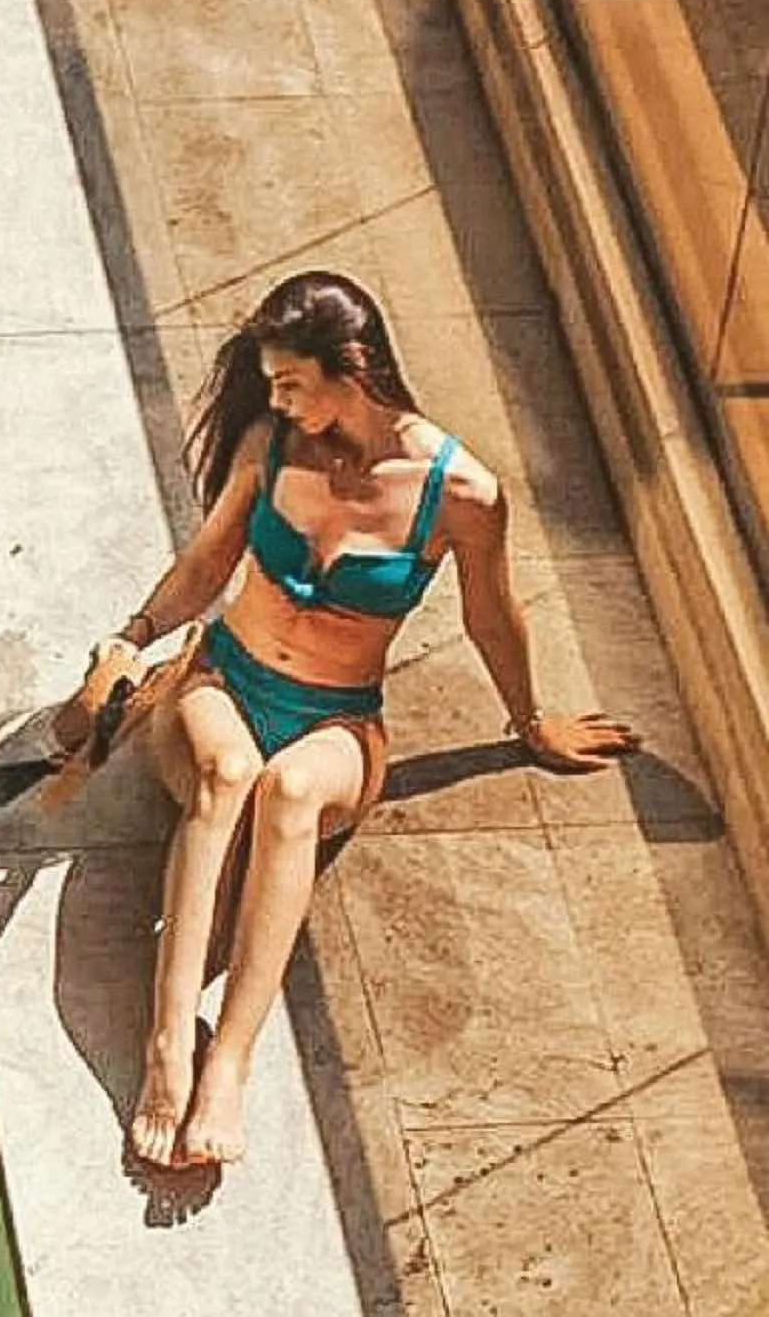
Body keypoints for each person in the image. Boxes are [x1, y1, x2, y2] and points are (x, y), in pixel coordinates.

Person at [88, 268, 640, 1170]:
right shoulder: (270, 444)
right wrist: (132, 637)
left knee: (290, 791)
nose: (274, 397)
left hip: (338, 719)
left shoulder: (460, 491)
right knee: (230, 777)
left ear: (354, 365)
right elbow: (205, 566)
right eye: (271, 382)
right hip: (221, 685)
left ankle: (227, 1060)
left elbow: (493, 615)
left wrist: (532, 723)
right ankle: (164, 1048)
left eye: (290, 380)